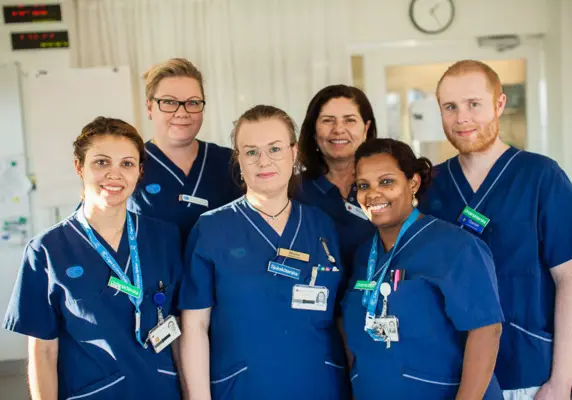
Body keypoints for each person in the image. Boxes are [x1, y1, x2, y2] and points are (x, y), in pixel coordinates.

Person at [421, 60, 572, 399]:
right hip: (452, 373)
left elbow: (570, 282)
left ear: (499, 104)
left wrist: (560, 381)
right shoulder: (431, 186)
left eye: (474, 104)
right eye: (450, 107)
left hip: (528, 371)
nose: (462, 118)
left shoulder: (542, 177)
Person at [3, 117, 183, 399]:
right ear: (79, 166)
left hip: (161, 390)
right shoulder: (46, 251)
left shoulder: (164, 238)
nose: (114, 174)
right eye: (101, 162)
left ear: (139, 171)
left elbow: (182, 328)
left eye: (127, 164)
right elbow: (43, 352)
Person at [178, 105, 350, 400]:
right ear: (239, 159)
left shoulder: (321, 225)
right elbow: (195, 325)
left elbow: (341, 317)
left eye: (274, 149)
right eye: (251, 152)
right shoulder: (211, 229)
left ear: (294, 153)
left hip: (320, 384)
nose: (264, 161)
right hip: (243, 387)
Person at [342, 138, 505, 399]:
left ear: (413, 183)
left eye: (386, 182)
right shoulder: (363, 257)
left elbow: (486, 331)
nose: (373, 194)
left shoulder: (456, 247)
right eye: (363, 185)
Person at [128, 58, 241, 241]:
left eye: (193, 103)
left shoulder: (228, 162)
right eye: (169, 102)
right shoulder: (129, 164)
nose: (182, 113)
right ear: (149, 107)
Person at [297, 85, 378, 274]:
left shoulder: (385, 187)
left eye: (349, 120)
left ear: (366, 128)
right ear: (314, 130)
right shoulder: (294, 191)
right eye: (328, 120)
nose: (338, 129)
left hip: (377, 290)